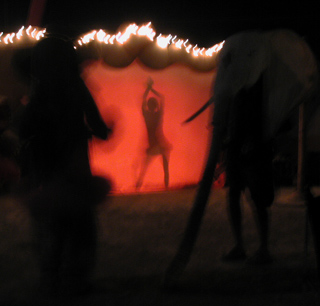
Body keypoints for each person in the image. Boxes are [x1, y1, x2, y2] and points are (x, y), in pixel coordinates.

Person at [19, 35, 111, 297]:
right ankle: (75, 280)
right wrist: (103, 130)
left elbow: (24, 131)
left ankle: (51, 279)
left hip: (45, 169)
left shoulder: (39, 91)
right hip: (73, 166)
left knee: (50, 226)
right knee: (79, 225)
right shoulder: (75, 86)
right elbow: (99, 126)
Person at [222, 75, 274, 264]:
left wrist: (253, 141)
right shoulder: (235, 86)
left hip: (252, 147)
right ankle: (240, 246)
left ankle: (264, 248)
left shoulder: (257, 84)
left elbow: (259, 115)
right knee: (234, 195)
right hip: (236, 146)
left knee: (258, 198)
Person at [136, 78, 172, 189]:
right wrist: (151, 89)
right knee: (163, 168)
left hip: (156, 144)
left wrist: (149, 89)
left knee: (146, 168)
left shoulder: (148, 115)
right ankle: (166, 188)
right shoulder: (157, 115)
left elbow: (144, 99)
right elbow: (162, 98)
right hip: (159, 144)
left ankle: (138, 186)